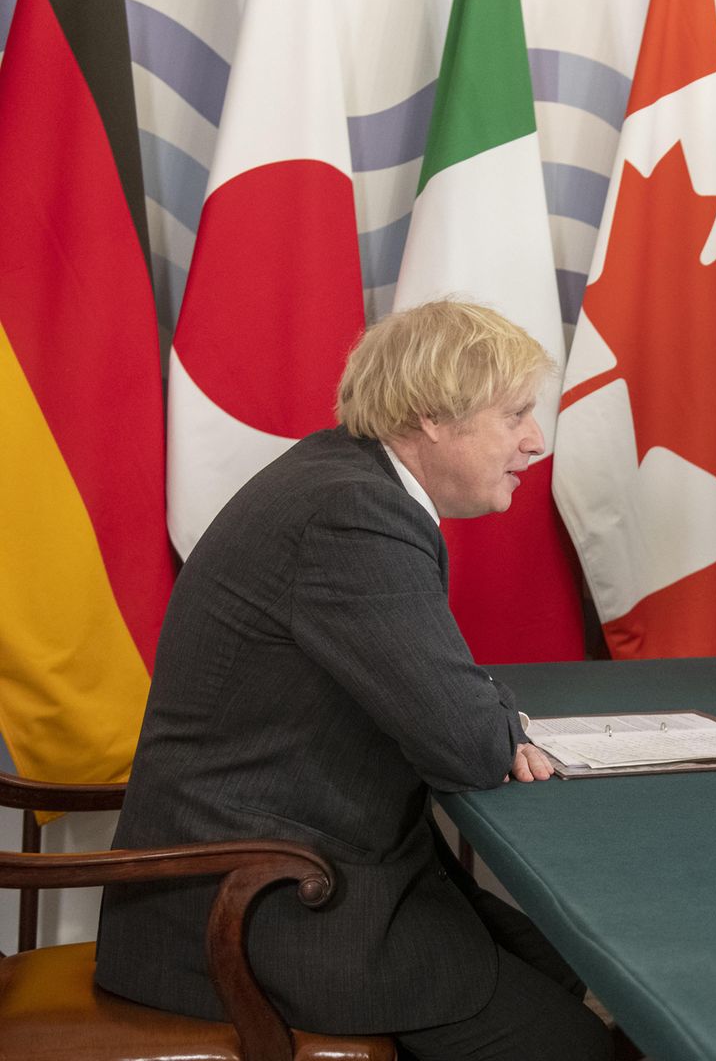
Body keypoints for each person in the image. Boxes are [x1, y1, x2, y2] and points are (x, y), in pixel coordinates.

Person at [95, 301, 612, 1061]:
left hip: (286, 870)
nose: (535, 442)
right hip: (252, 908)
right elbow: (468, 739)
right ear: (434, 415)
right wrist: (493, 719)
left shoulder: (342, 479)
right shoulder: (353, 511)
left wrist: (486, 712)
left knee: (560, 969)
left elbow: (450, 694)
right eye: (515, 415)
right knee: (568, 1043)